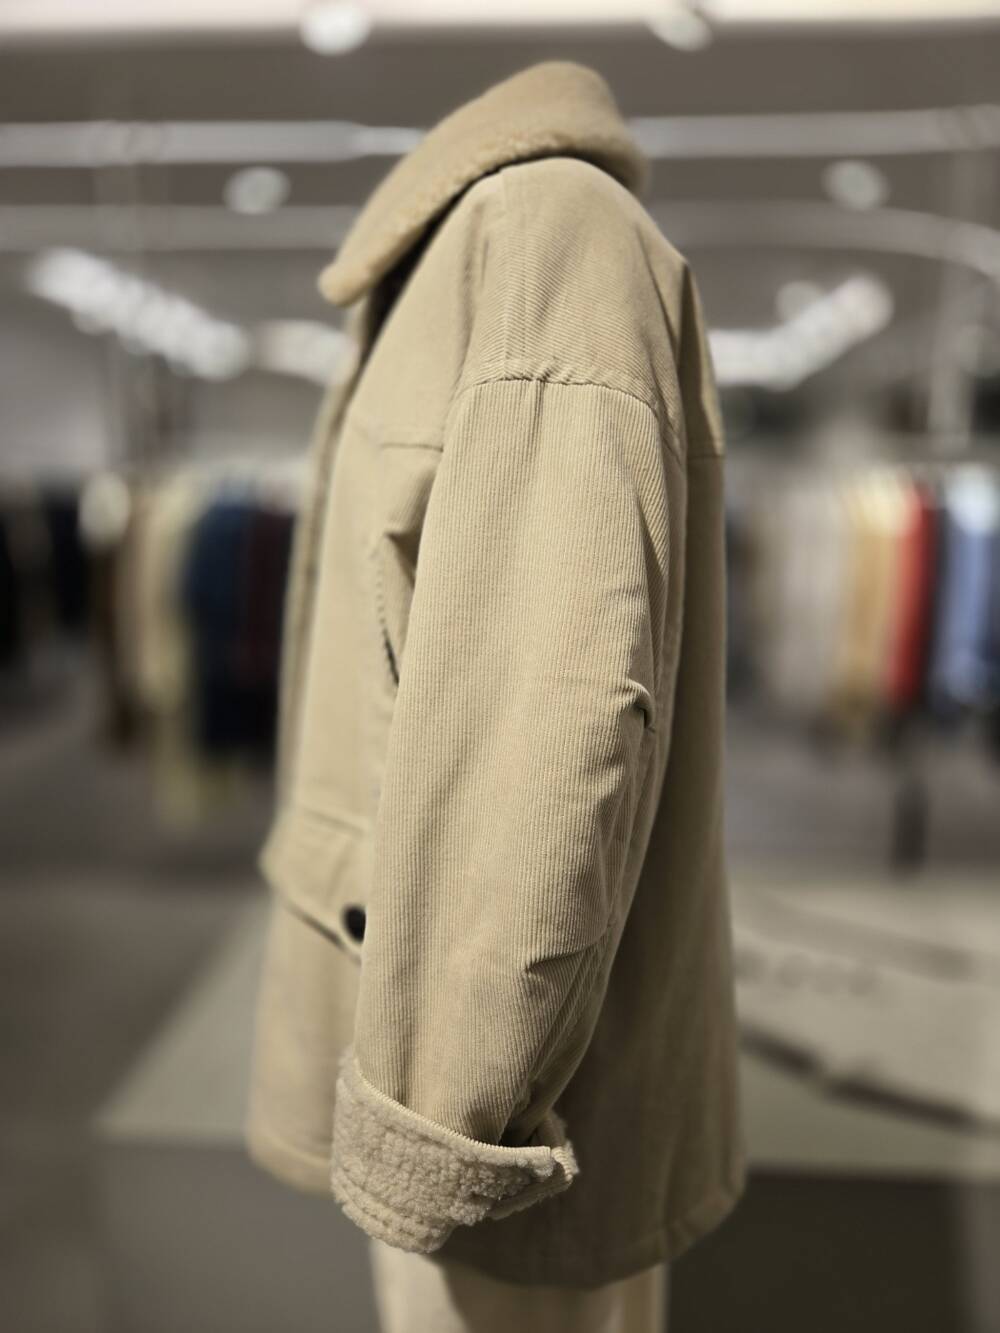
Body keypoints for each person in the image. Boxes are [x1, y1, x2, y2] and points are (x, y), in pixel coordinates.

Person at [244, 59, 747, 1331]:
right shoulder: (493, 251)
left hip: (513, 1097)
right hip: (458, 1037)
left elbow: (550, 724)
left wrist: (447, 1116)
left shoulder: (541, 241)